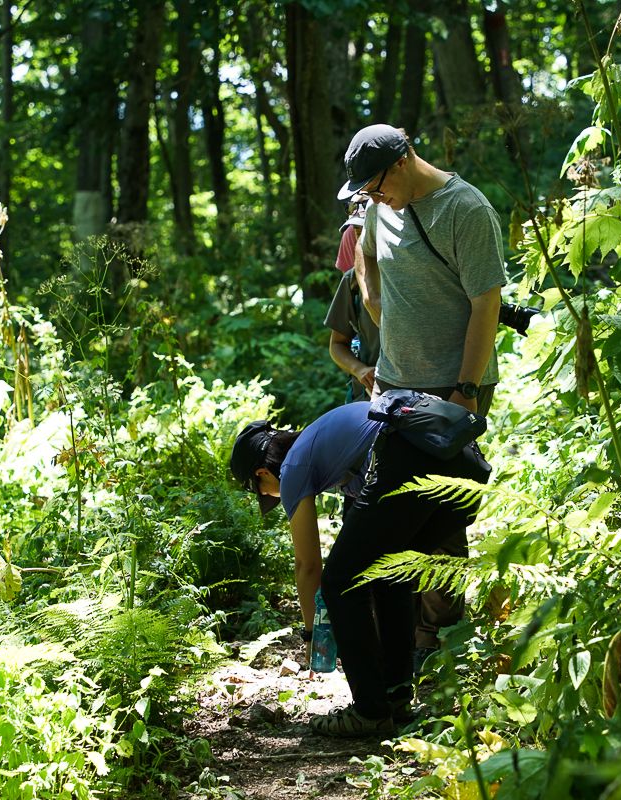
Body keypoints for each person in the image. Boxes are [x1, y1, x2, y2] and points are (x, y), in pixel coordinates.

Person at [336, 123, 509, 662]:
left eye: (375, 185)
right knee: (391, 517)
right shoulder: (380, 208)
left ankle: (441, 650)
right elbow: (363, 254)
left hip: (448, 390)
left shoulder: (466, 210)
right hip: (392, 388)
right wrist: (377, 308)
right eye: (363, 191)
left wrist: (465, 390)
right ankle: (404, 644)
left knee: (442, 523)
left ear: (404, 160)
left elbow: (487, 305)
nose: (371, 197)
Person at [229, 403, 490, 737]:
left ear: (262, 474)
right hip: (464, 463)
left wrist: (312, 637)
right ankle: (394, 698)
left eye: (262, 492)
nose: (269, 497)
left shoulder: (294, 467)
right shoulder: (333, 451)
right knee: (389, 573)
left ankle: (369, 712)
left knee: (341, 583)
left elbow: (308, 566)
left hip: (411, 457)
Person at [325, 201, 380, 401]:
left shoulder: (418, 275)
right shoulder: (351, 281)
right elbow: (337, 344)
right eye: (357, 231)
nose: (362, 238)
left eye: (366, 230)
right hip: (366, 398)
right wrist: (360, 369)